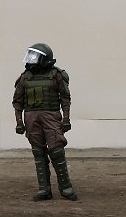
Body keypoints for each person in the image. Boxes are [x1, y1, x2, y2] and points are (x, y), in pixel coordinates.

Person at [12, 42, 77, 201]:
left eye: (35, 56)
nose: (31, 59)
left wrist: (66, 118)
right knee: (38, 152)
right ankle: (44, 189)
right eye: (31, 56)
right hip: (31, 118)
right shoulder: (25, 78)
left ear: (44, 58)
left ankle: (65, 187)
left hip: (51, 117)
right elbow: (17, 102)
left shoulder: (56, 75)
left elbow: (65, 99)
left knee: (56, 150)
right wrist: (19, 122)